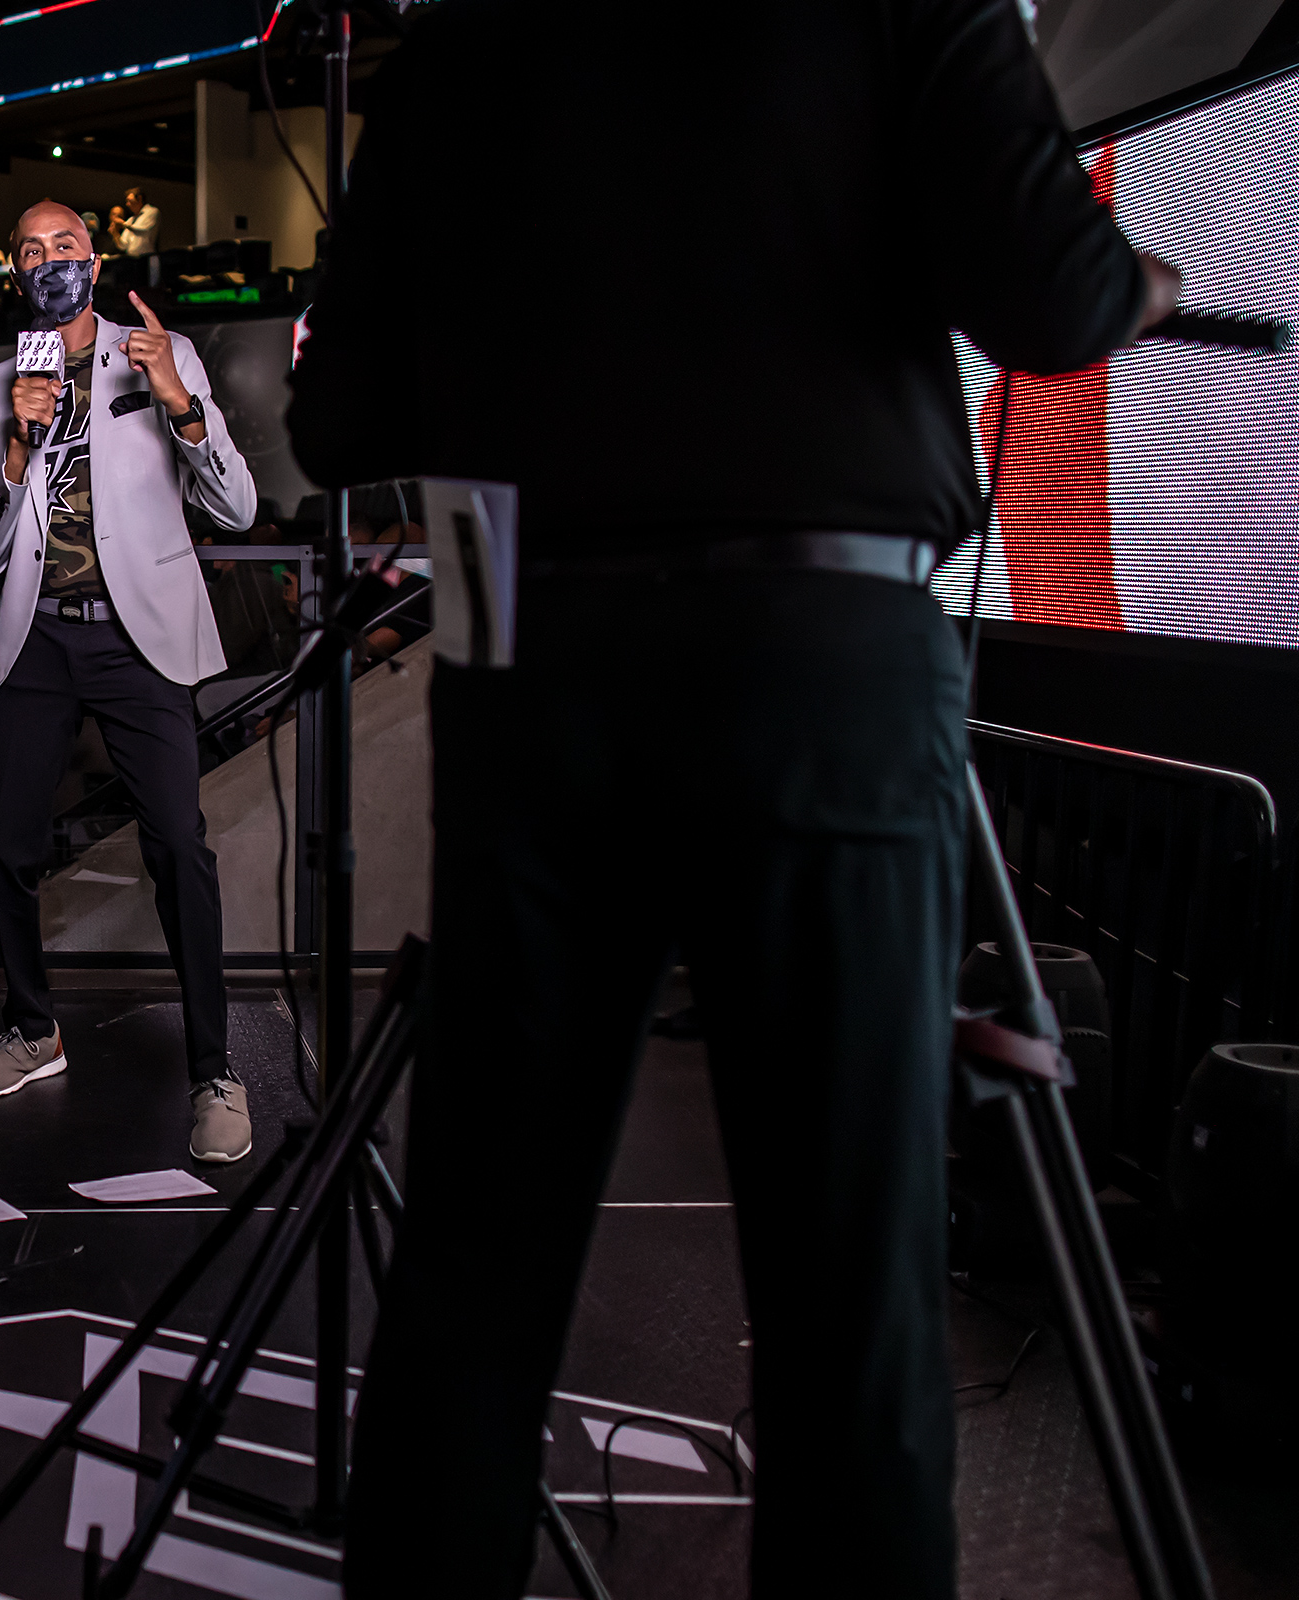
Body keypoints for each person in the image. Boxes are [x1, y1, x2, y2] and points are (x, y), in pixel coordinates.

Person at [281, 6, 1185, 1596]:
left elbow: (339, 422)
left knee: (479, 1260)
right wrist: (1147, 287)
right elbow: (1053, 294)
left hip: (533, 670)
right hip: (818, 660)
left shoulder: (454, 58)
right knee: (852, 1282)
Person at [0, 201, 257, 1162]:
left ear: (95, 262)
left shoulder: (159, 352)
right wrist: (16, 444)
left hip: (140, 639)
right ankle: (32, 1028)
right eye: (30, 250)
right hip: (37, 639)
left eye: (65, 246)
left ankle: (214, 1068)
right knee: (5, 843)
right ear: (17, 274)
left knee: (178, 844)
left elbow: (237, 507)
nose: (50, 260)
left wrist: (177, 398)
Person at [106, 187, 159, 257]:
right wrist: (115, 234)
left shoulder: (151, 212)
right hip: (132, 258)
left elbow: (142, 231)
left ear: (139, 199)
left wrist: (123, 223)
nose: (127, 204)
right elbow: (123, 246)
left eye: (129, 200)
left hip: (146, 257)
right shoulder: (131, 220)